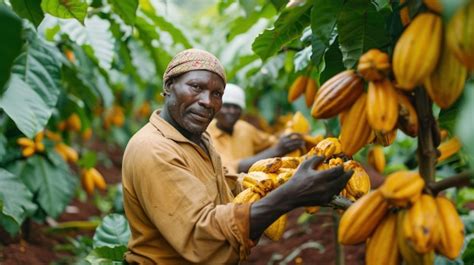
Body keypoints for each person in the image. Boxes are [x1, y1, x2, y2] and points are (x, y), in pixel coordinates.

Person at [122, 48, 352, 264]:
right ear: (169, 86)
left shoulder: (198, 139)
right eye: (195, 87)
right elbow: (201, 236)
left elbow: (227, 186)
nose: (207, 102)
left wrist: (283, 181)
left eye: (217, 94)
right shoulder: (153, 149)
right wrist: (289, 196)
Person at [207, 83, 305, 174]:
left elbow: (270, 141)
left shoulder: (244, 127)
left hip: (258, 185)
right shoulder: (207, 135)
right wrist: (277, 150)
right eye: (226, 106)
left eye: (236, 107)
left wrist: (289, 136)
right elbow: (230, 167)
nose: (231, 111)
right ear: (217, 108)